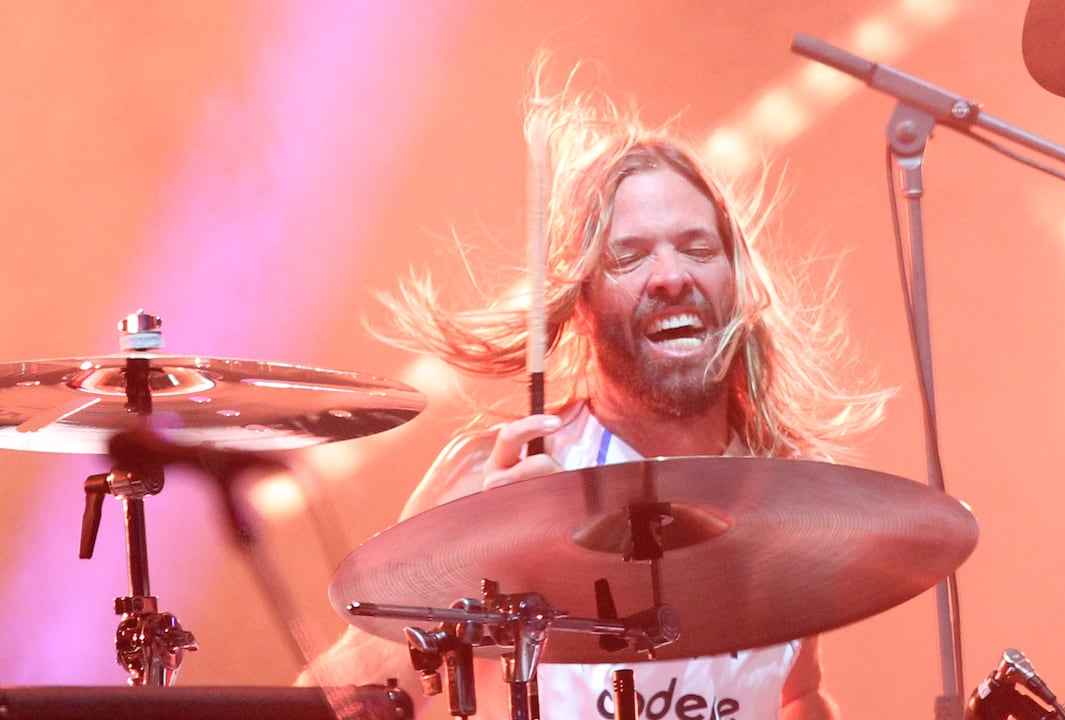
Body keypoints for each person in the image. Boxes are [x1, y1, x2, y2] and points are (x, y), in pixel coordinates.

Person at [301, 71, 890, 720]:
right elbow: (328, 703)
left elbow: (797, 692)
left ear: (738, 285)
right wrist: (458, 561)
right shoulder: (502, 475)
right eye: (629, 257)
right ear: (580, 305)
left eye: (696, 247)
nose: (670, 276)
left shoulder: (778, 492)